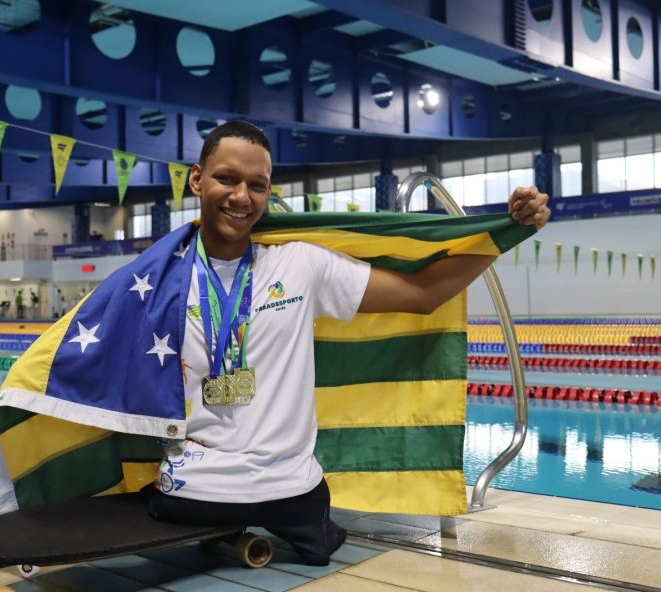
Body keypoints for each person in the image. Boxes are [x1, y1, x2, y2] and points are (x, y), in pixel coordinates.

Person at [144, 121, 550, 565]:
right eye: (227, 179)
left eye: (256, 185)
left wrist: (508, 231)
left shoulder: (300, 263)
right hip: (200, 485)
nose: (242, 196)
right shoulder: (155, 279)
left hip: (281, 487)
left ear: (268, 191)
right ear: (197, 178)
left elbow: (422, 295)